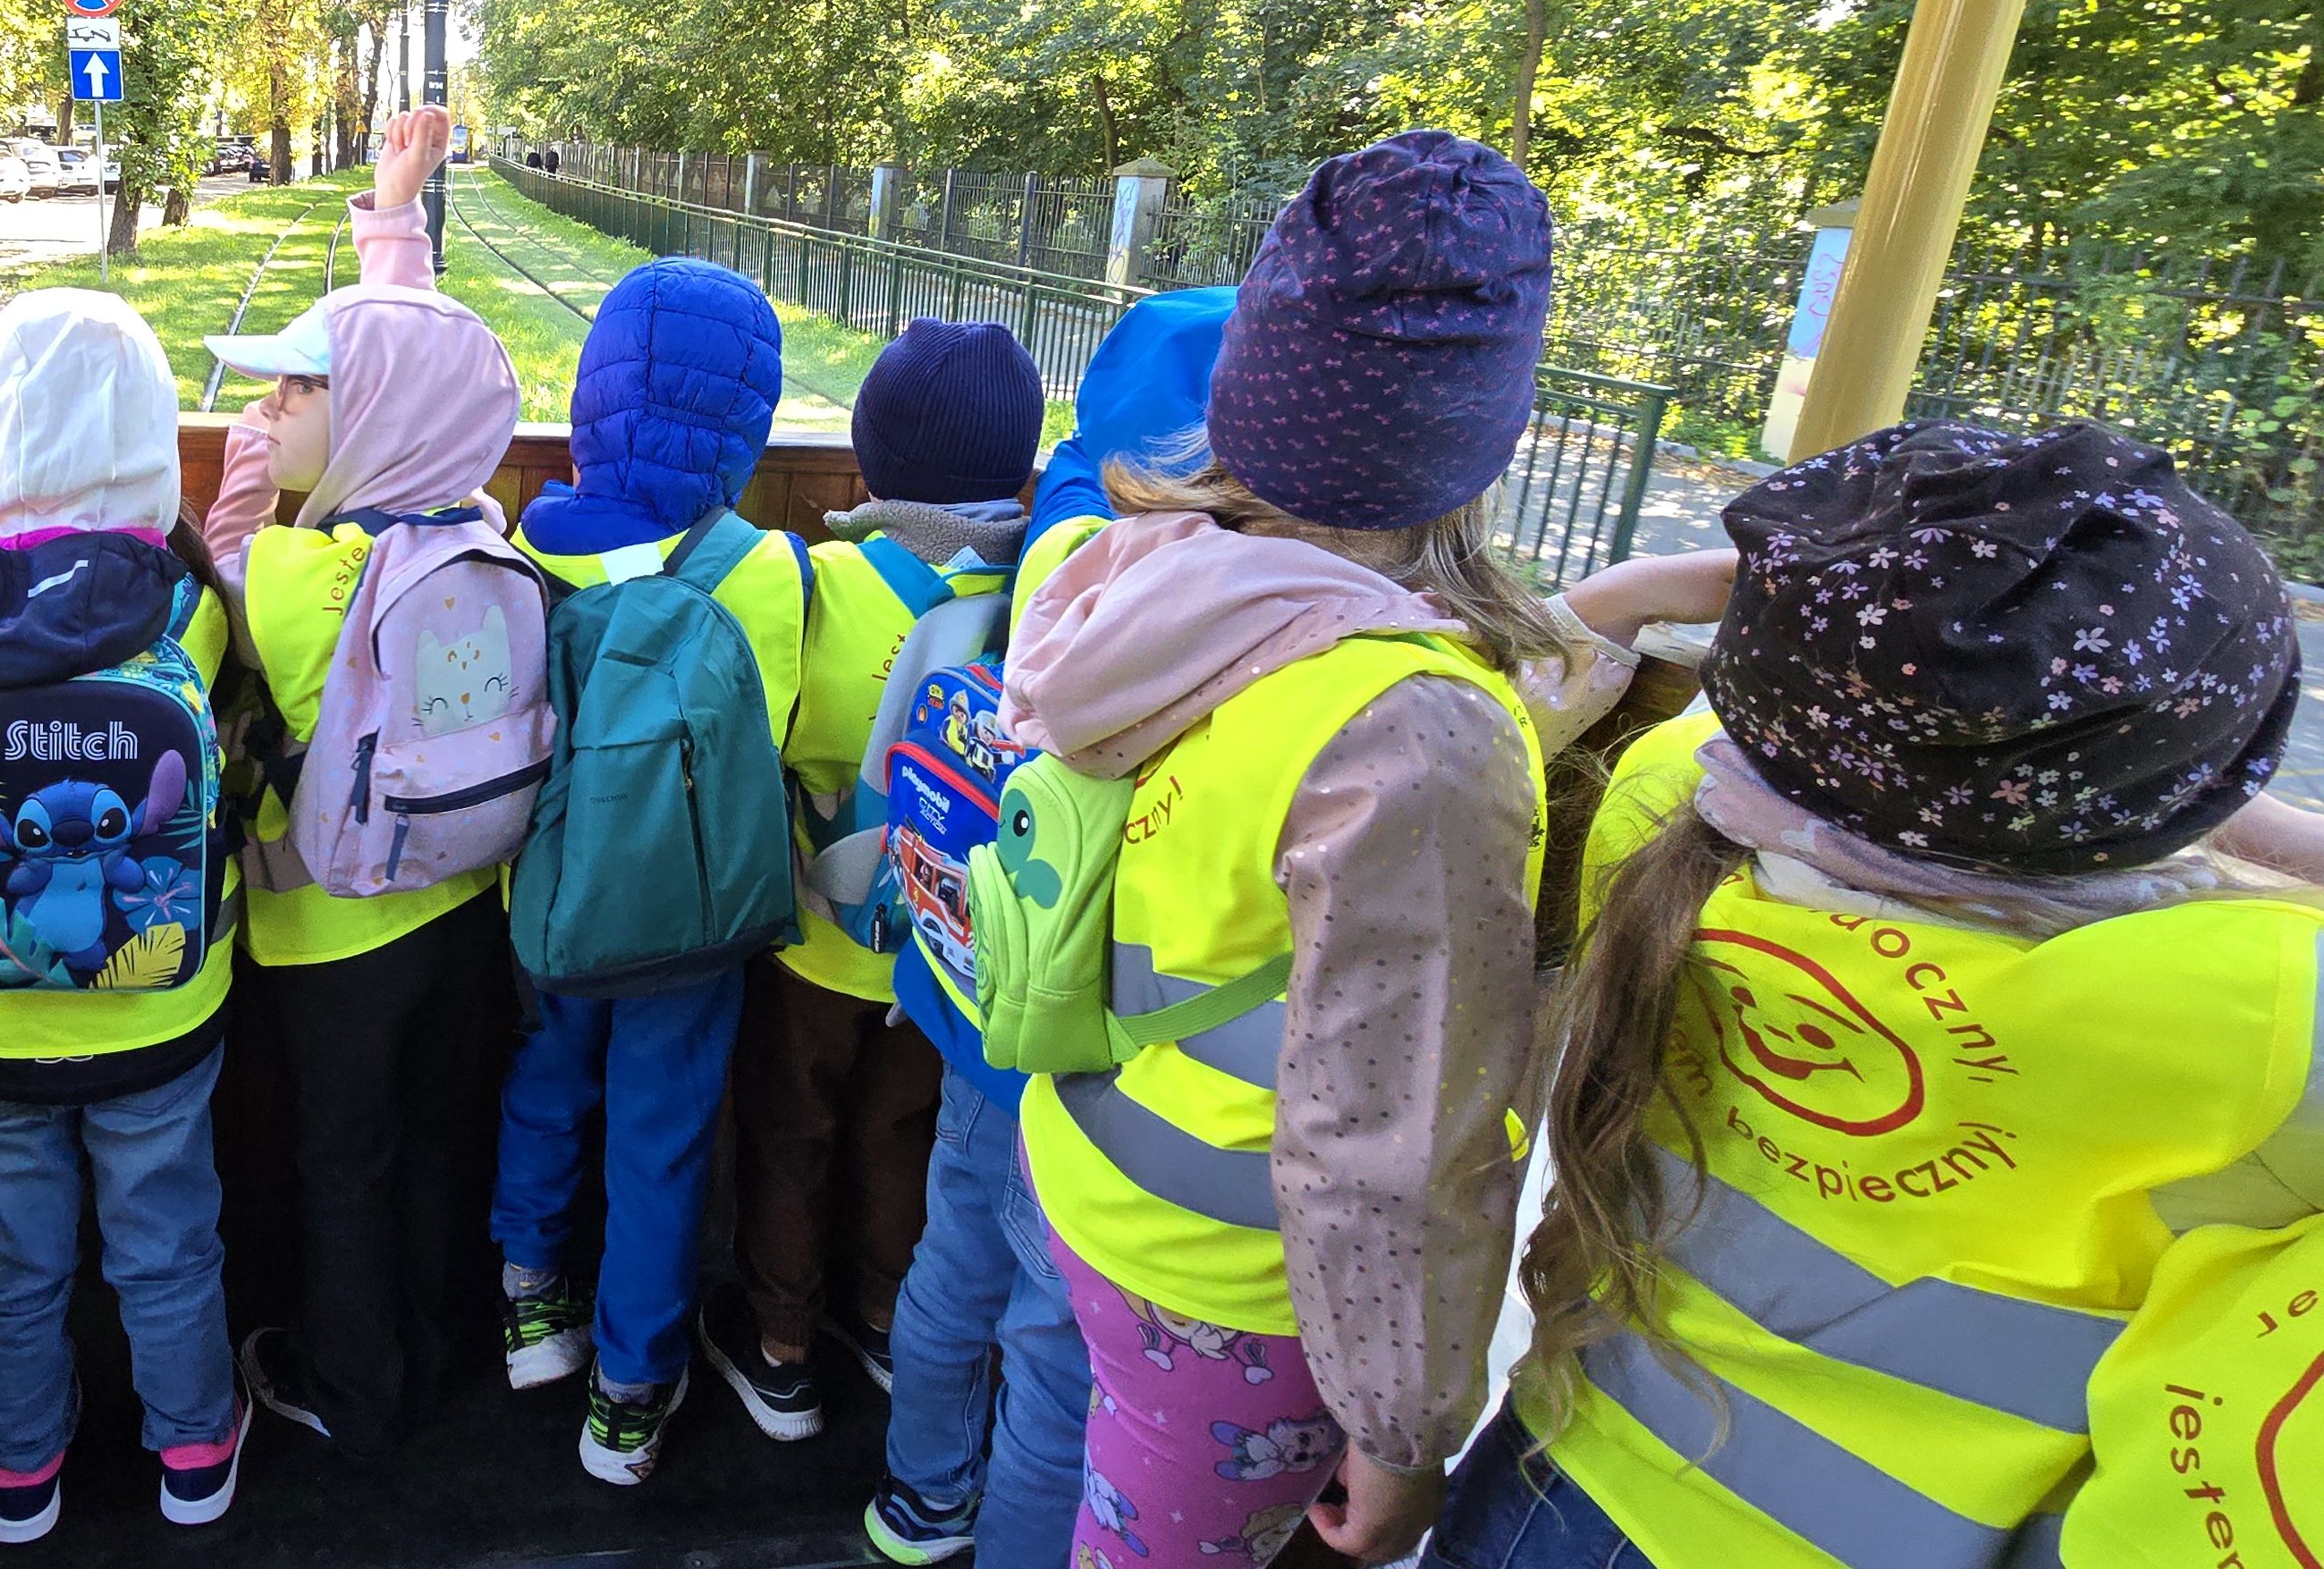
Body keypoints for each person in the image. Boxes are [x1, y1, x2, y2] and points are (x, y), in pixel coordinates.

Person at [1431, 418, 2320, 1569]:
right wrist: (2212, 795)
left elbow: (1781, 732)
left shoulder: (1661, 807)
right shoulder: (2254, 1011)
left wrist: (1657, 588)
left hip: (1557, 1468)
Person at [994, 131, 1643, 1565]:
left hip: (1084, 1165)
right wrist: (1405, 1428)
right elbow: (1395, 1142)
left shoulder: (1142, 580)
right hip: (1231, 1289)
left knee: (1050, 1452)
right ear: (1478, 435)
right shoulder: (1417, 730)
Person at [863, 288, 1233, 1567]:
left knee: (951, 1261)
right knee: (1051, 1343)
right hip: (1119, 1064)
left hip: (985, 1017)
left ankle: (917, 1497)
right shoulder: (1245, 606)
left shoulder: (1050, 562)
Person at [0, 290, 249, 1543]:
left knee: (9, 1257)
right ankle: (194, 1452)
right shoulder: (191, 609)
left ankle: (21, 1473)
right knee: (167, 1239)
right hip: (161, 1000)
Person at [200, 106, 527, 1456]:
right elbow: (415, 386)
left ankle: (358, 1388)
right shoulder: (485, 535)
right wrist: (394, 226)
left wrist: (246, 467)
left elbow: (222, 557)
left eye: (294, 389)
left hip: (329, 935)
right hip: (466, 914)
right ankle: (443, 1356)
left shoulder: (289, 574)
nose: (271, 405)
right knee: (445, 1145)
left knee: (344, 1163)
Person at [494, 254, 810, 1485]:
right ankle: (628, 1396)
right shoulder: (765, 570)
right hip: (693, 921)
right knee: (662, 1142)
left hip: (553, 902)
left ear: (594, 398)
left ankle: (531, 1299)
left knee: (544, 1085)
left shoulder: (534, 548)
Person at [704, 318, 1041, 1449]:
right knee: (906, 1132)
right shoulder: (1044, 592)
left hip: (815, 933)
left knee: (789, 1127)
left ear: (870, 455)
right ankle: (892, 1318)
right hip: (955, 955)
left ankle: (780, 1346)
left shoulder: (818, 582)